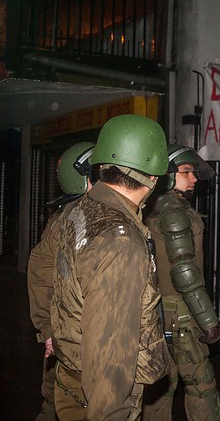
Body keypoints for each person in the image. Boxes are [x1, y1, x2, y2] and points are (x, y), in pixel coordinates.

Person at [48, 114, 172, 419]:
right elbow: (111, 353)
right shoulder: (120, 242)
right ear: (154, 176)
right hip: (102, 396)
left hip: (72, 375)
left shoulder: (81, 209)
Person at [143, 144, 220, 420]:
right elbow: (185, 273)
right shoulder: (173, 212)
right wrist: (209, 320)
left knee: (161, 384)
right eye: (186, 172)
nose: (194, 178)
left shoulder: (154, 208)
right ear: (166, 175)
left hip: (158, 309)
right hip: (181, 311)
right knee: (201, 384)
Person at [27, 141, 95, 421]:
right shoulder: (72, 219)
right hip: (69, 336)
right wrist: (49, 329)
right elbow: (41, 274)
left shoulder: (91, 214)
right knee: (62, 404)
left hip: (79, 336)